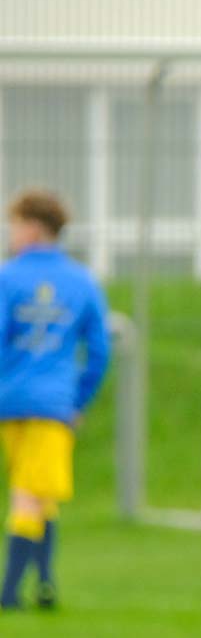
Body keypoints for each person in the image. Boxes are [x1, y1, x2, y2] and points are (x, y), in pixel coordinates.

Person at [0, 188, 111, 611]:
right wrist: (78, 399)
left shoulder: (7, 278)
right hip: (53, 405)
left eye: (13, 226)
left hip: (10, 401)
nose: (11, 235)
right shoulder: (81, 281)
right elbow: (99, 350)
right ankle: (38, 584)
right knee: (35, 491)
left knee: (31, 491)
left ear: (32, 228)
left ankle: (16, 591)